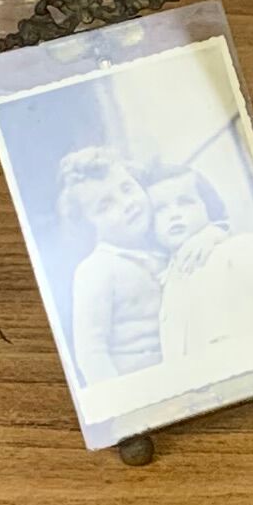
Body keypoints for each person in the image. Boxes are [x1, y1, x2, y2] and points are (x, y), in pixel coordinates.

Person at [148, 166, 253, 379]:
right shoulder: (166, 281)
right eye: (160, 209)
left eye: (186, 202)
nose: (174, 214)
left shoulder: (241, 248)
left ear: (209, 207)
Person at [55, 145, 165, 389]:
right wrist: (122, 403)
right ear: (87, 225)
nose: (127, 204)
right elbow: (91, 352)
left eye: (127, 188)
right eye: (106, 205)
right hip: (139, 391)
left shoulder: (161, 241)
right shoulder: (96, 270)